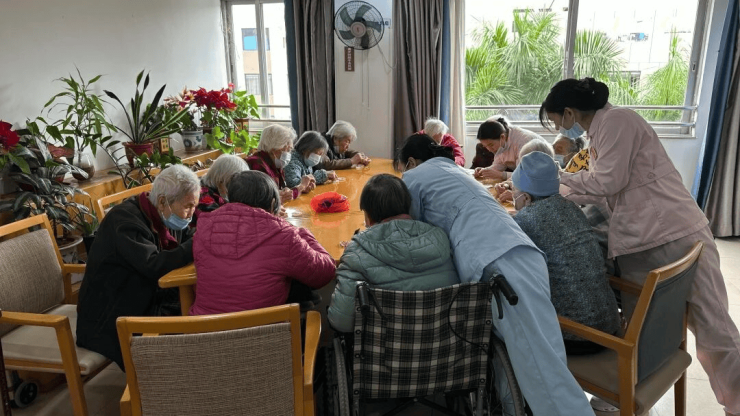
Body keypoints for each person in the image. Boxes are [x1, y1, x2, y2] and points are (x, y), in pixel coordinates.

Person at [541, 77, 740, 416]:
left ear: (569, 112)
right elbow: (607, 190)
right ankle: (625, 397)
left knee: (713, 326)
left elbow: (608, 181)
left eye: (557, 120)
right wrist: (561, 191)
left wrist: (556, 179)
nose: (560, 128)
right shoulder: (599, 132)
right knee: (642, 326)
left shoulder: (617, 120)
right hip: (645, 238)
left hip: (673, 231)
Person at [398, 133, 594, 416]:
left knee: (542, 367)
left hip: (497, 263)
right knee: (538, 353)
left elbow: (409, 229)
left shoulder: (413, 177)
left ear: (410, 162)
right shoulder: (455, 170)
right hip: (523, 254)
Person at [76, 165, 200, 369]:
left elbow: (185, 238)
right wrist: (195, 243)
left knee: (198, 312)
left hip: (143, 298)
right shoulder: (124, 220)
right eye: (188, 207)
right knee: (186, 331)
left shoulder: (161, 214)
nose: (190, 215)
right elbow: (153, 266)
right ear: (163, 201)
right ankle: (161, 382)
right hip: (110, 315)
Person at [510, 151, 620, 354]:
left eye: (513, 191)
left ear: (525, 197)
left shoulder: (525, 219)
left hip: (576, 336)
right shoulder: (572, 207)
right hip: (610, 326)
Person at [190, 170, 336, 316]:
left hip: (204, 327)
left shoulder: (203, 228)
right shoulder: (283, 235)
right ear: (273, 204)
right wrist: (302, 232)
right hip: (265, 328)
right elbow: (325, 272)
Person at [327, 174, 460, 333]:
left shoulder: (357, 252)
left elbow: (341, 322)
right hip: (442, 343)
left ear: (367, 216)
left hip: (381, 347)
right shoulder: (440, 237)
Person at [246, 124, 316, 202]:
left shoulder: (273, 163)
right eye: (288, 150)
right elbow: (269, 200)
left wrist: (300, 189)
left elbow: (282, 195)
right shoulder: (257, 164)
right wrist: (301, 187)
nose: (289, 154)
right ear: (275, 150)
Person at [473, 116, 542, 180]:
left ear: (502, 137)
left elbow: (525, 175)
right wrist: (484, 171)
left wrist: (502, 175)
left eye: (491, 145)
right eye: (486, 146)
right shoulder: (503, 140)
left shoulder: (523, 142)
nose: (489, 150)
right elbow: (498, 165)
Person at [192, 154, 249, 227]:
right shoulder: (204, 197)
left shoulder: (217, 189)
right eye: (235, 181)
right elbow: (219, 225)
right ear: (223, 179)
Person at [493, 138, 554, 203]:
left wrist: (517, 197)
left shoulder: (556, 180)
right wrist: (505, 185)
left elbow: (546, 202)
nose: (524, 168)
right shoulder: (530, 171)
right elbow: (518, 179)